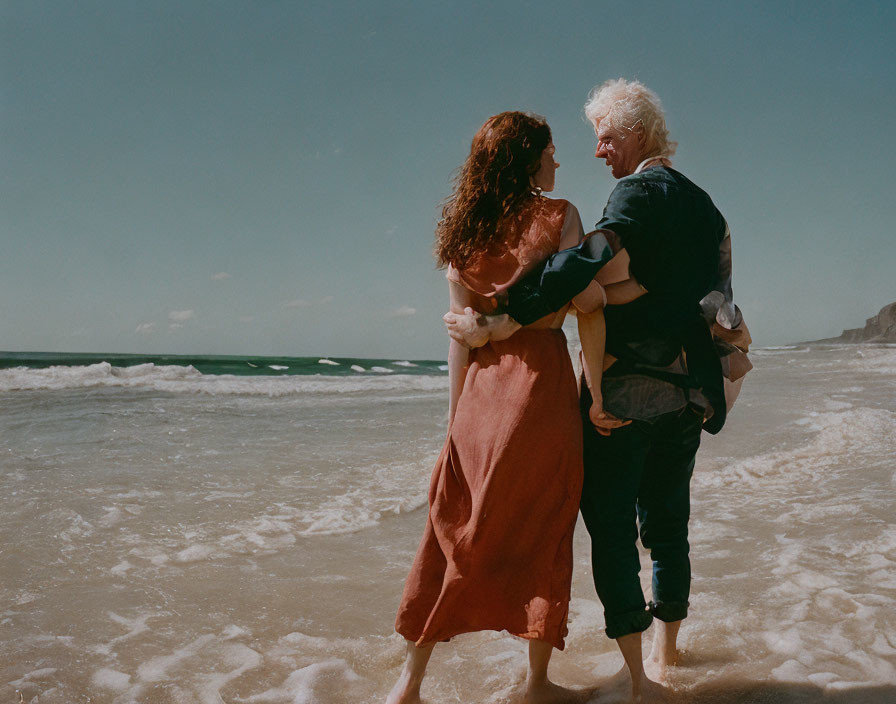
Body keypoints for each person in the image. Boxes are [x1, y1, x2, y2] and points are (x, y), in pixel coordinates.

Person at [445, 79, 750, 703]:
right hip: (689, 393)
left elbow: (585, 261)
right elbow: (720, 302)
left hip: (627, 389)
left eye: (604, 137)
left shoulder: (634, 194)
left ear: (635, 133)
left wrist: (507, 311)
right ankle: (669, 655)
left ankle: (635, 676)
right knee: (669, 524)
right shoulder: (708, 208)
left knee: (611, 528)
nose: (597, 151)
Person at [388, 111, 616, 704]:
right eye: (549, 150)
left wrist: (454, 422)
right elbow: (581, 299)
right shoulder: (560, 216)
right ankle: (537, 684)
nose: (558, 161)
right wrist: (597, 391)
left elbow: (459, 339)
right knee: (545, 527)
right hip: (540, 385)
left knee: (451, 534)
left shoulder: (461, 237)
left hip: (482, 395)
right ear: (527, 159)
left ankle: (409, 684)